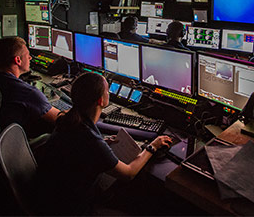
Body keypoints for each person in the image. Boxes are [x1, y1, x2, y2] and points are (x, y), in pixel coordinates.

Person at [34, 72, 172, 215]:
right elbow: (129, 173)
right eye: (107, 90)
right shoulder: (90, 140)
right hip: (70, 209)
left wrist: (104, 142)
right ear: (101, 101)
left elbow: (78, 151)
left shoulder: (67, 120)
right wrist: (153, 146)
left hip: (49, 198)